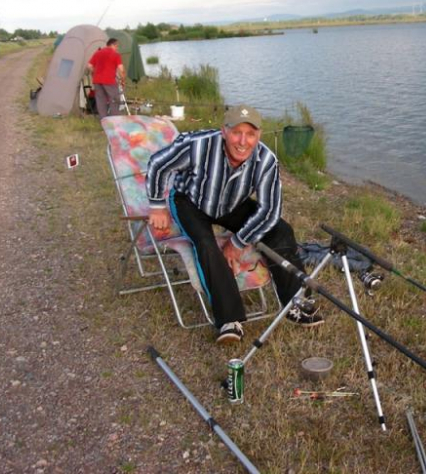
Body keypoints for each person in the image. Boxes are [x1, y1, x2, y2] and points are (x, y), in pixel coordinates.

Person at [146, 104, 324, 344]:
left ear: (258, 135)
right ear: (224, 131)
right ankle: (229, 320)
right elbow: (158, 164)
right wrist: (157, 205)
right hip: (190, 200)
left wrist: (238, 241)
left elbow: (270, 210)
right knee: (205, 244)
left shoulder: (266, 160)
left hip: (231, 203)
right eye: (236, 132)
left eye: (250, 134)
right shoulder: (197, 145)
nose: (243, 141)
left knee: (281, 230)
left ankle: (295, 301)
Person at [87, 38, 125, 118]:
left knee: (101, 100)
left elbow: (89, 66)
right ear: (112, 45)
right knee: (114, 99)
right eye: (116, 46)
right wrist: (122, 79)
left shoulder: (97, 53)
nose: (117, 48)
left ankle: (103, 120)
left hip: (97, 80)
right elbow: (121, 69)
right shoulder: (116, 54)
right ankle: (115, 119)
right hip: (109, 80)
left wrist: (95, 72)